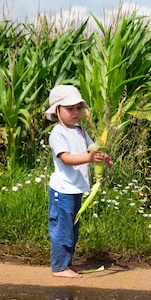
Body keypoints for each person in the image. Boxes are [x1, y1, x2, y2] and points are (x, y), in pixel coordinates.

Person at [44, 84, 112, 278]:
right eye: (70, 108)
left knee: (72, 231)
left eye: (78, 108)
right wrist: (89, 159)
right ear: (57, 111)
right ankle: (59, 267)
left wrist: (101, 156)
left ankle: (66, 263)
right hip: (62, 191)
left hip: (75, 191)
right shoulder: (57, 134)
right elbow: (66, 158)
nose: (76, 112)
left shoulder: (80, 131)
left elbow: (91, 150)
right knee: (62, 231)